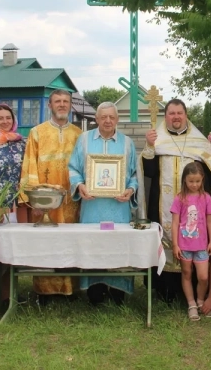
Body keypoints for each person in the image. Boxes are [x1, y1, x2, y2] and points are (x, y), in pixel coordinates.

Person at [141, 98, 211, 302]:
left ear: (186, 115)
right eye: (171, 113)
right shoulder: (157, 141)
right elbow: (148, 172)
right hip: (163, 207)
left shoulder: (200, 143)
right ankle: (166, 291)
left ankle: (195, 293)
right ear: (165, 116)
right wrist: (149, 146)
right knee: (165, 242)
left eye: (179, 113)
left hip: (196, 209)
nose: (176, 117)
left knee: (195, 243)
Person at [68, 102, 139, 306]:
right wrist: (79, 185)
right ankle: (95, 290)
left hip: (119, 209)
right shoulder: (83, 141)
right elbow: (73, 168)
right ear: (96, 119)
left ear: (117, 119)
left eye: (112, 117)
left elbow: (134, 174)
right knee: (93, 245)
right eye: (103, 117)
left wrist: (130, 190)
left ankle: (118, 291)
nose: (108, 121)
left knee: (118, 245)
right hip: (92, 208)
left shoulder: (127, 143)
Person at [18, 90, 82, 303]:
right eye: (58, 101)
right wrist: (34, 200)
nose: (62, 105)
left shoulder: (78, 134)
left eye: (65, 101)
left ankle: (70, 289)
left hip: (72, 200)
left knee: (71, 242)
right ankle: (45, 292)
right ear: (50, 105)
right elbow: (30, 167)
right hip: (45, 201)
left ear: (71, 105)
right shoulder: (37, 133)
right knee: (46, 243)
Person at [170, 162, 211, 321]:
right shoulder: (180, 198)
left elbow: (210, 221)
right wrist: (175, 244)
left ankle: (200, 300)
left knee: (203, 276)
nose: (194, 185)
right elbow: (175, 223)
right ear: (184, 180)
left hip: (202, 245)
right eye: (191, 181)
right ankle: (191, 304)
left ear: (202, 179)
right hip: (184, 245)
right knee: (187, 273)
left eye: (197, 181)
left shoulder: (206, 198)